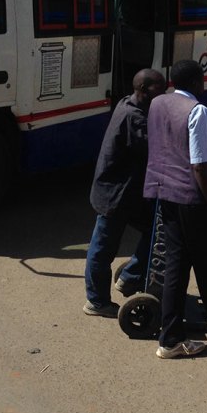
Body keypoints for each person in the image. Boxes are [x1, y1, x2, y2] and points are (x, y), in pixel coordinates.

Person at [144, 59, 207, 359]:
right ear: (198, 83)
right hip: (192, 198)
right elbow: (199, 166)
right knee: (198, 259)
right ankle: (175, 336)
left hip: (165, 191)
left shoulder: (159, 102)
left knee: (190, 260)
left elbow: (173, 142)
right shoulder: (197, 111)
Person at [83, 69, 166, 317]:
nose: (163, 92)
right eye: (159, 88)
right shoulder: (134, 117)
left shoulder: (128, 103)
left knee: (155, 231)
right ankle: (96, 302)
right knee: (102, 249)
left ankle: (129, 276)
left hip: (128, 193)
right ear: (143, 89)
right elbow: (155, 149)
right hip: (116, 194)